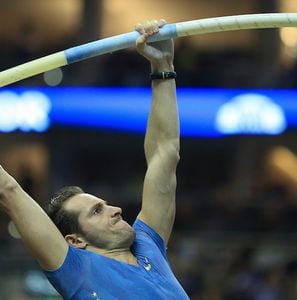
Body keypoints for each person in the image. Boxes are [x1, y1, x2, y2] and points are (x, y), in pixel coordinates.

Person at [0, 19, 189, 299]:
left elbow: (165, 151)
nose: (115, 209)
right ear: (75, 241)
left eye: (103, 205)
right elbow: (8, 191)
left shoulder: (147, 245)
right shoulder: (74, 268)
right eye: (97, 211)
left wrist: (163, 68)